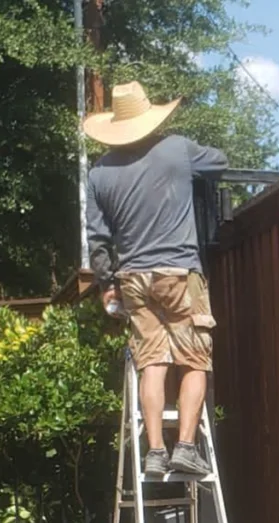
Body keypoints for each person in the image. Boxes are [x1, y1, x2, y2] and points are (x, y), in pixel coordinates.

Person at [83, 81, 228, 476]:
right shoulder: (177, 150)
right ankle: (184, 446)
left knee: (153, 364)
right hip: (179, 273)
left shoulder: (99, 174)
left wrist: (106, 283)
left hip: (132, 279)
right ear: (149, 118)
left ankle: (154, 452)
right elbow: (219, 160)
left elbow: (97, 239)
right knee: (194, 360)